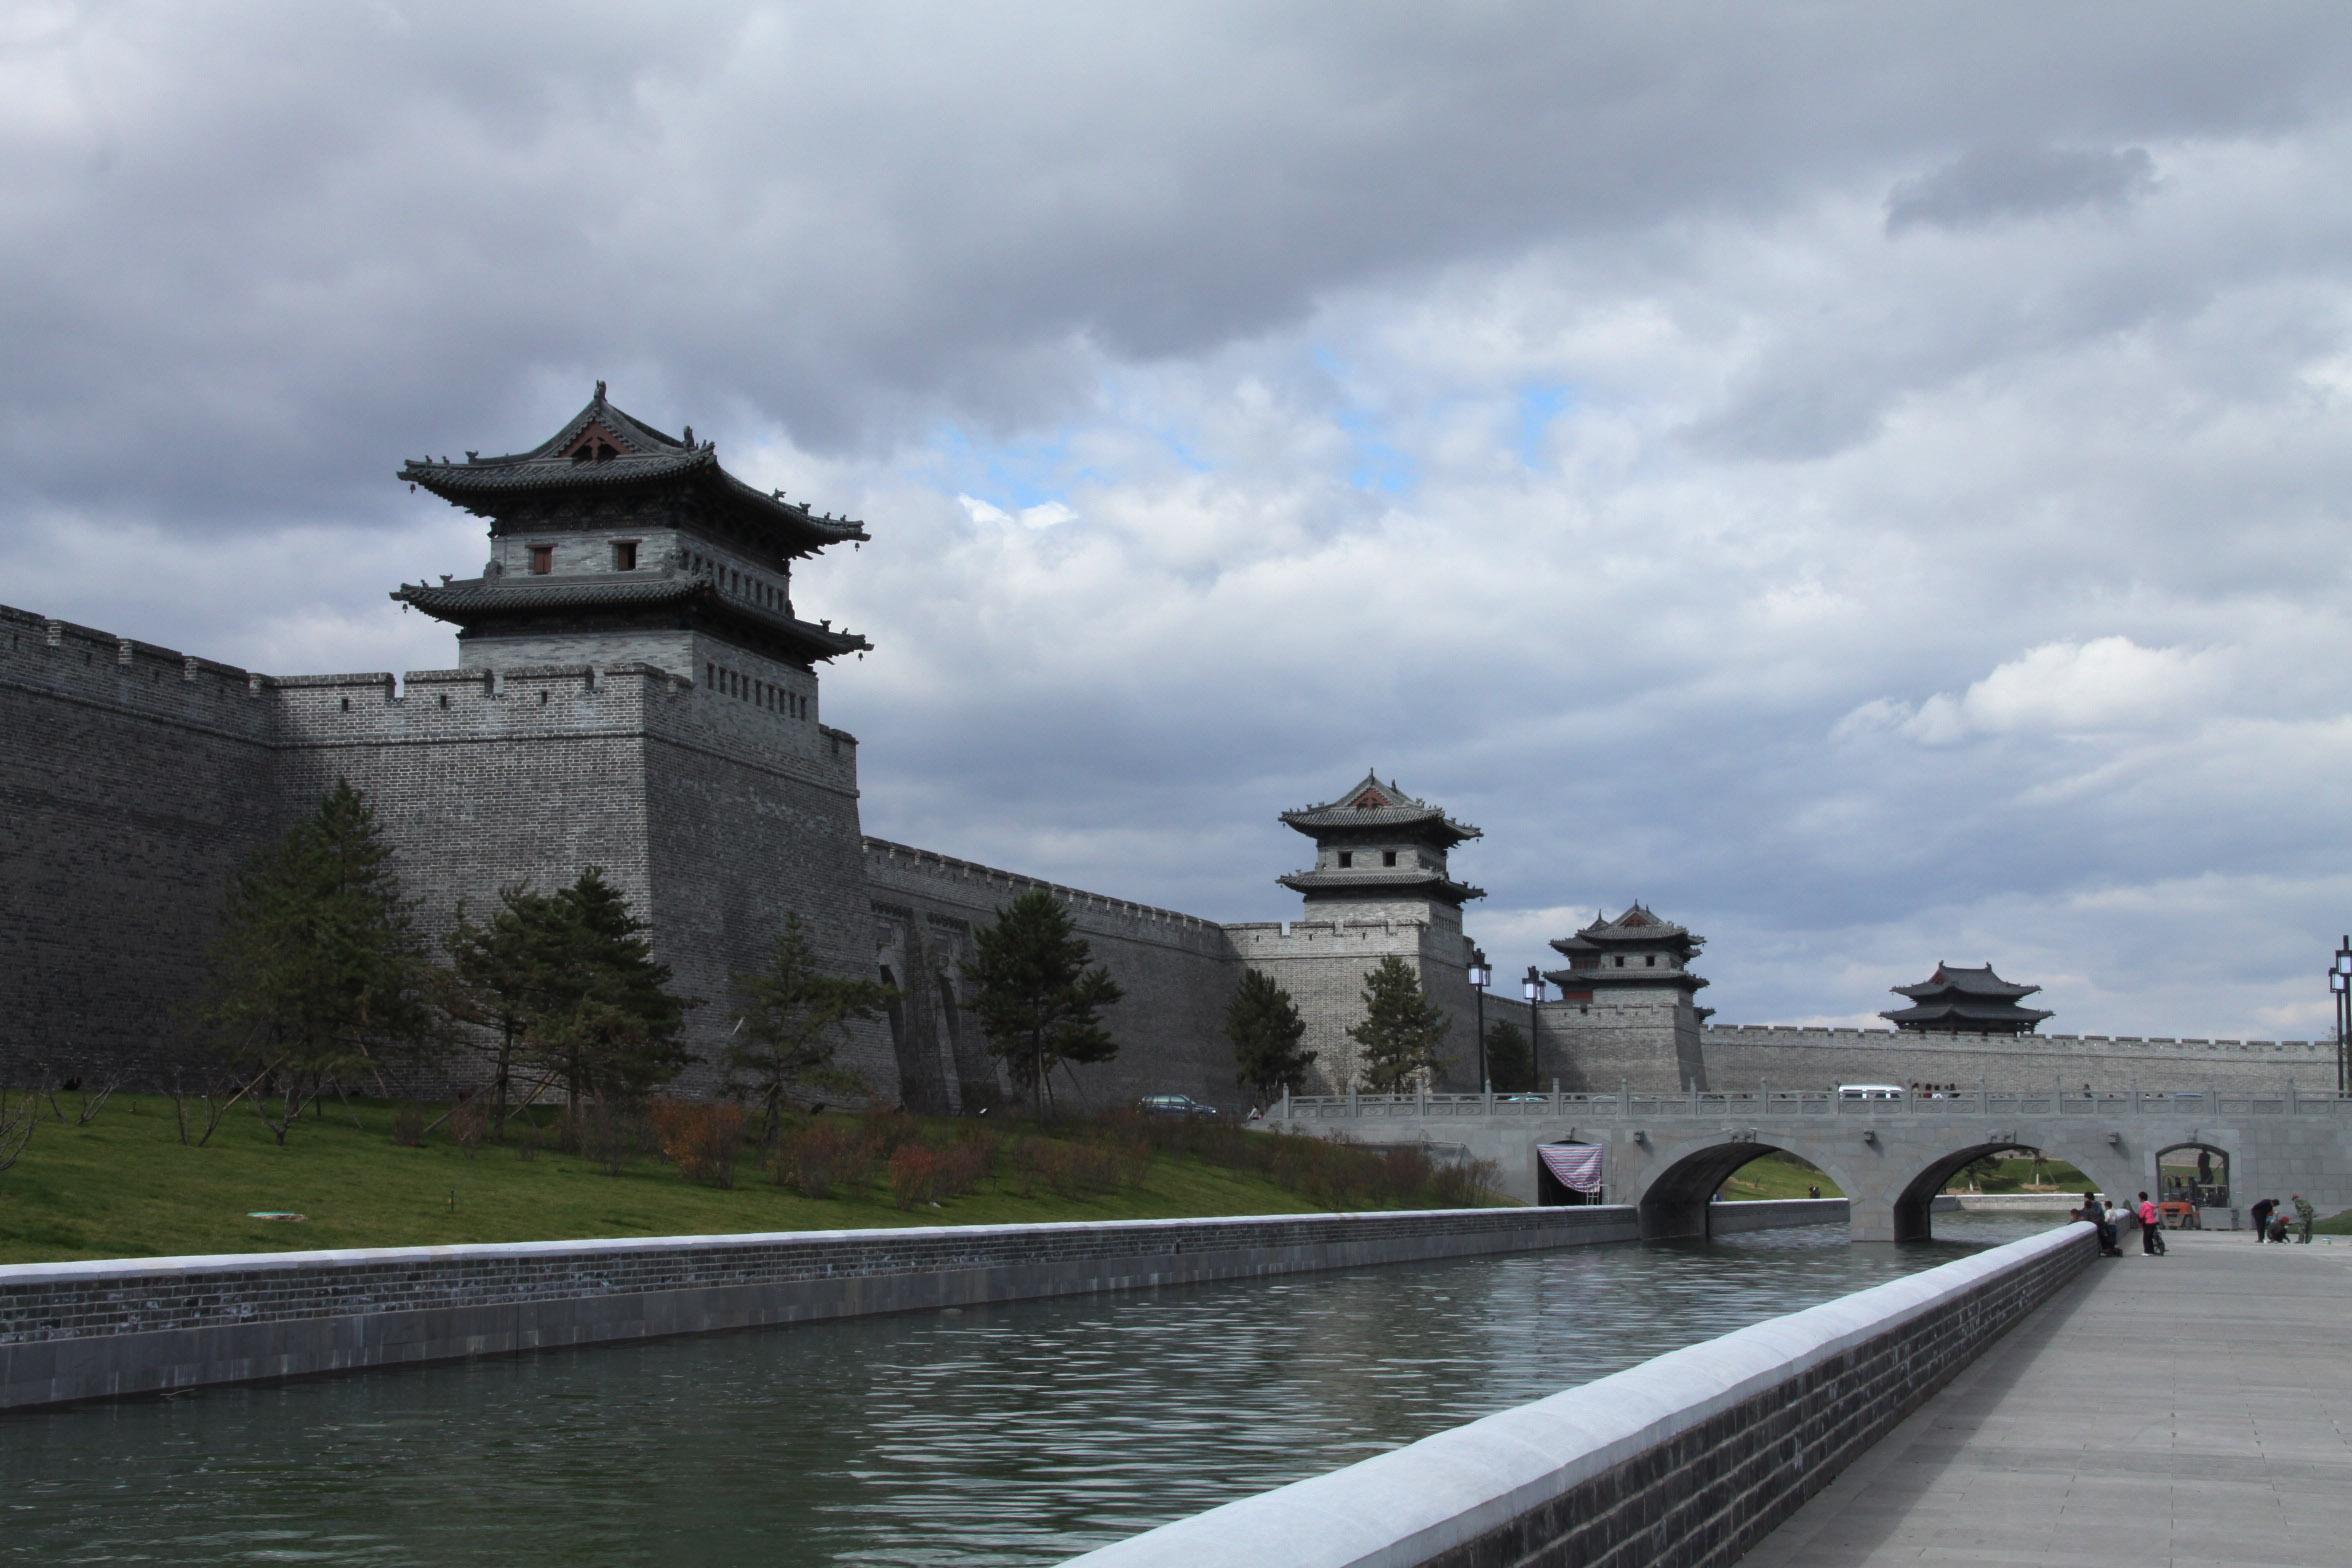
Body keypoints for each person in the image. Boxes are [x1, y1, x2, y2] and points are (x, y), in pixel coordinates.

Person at [2136, 1191, 2167, 1256]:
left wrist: (2138, 1215)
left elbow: (2141, 1215)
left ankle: (2147, 1252)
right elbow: (2154, 1210)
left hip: (2147, 1223)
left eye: (2139, 1198)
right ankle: (2151, 1252)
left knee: (2146, 1238)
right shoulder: (2149, 1204)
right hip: (2153, 1223)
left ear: (2142, 1198)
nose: (2139, 1199)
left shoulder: (2144, 1205)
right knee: (2149, 1238)